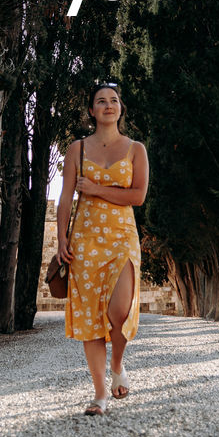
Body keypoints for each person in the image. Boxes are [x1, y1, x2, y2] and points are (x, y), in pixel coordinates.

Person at [56, 80, 149, 416]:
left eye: (114, 100)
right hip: (85, 241)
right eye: (101, 101)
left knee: (119, 312)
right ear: (92, 110)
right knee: (89, 319)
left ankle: (119, 365)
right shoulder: (76, 149)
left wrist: (95, 189)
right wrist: (61, 238)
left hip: (122, 237)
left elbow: (137, 196)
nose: (109, 105)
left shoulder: (136, 149)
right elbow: (66, 197)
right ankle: (99, 395)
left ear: (120, 108)